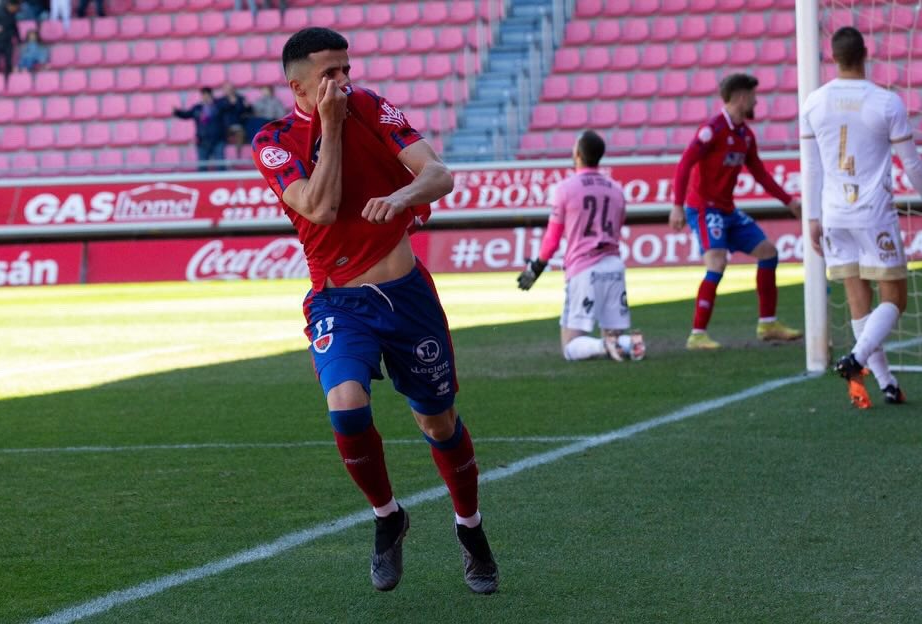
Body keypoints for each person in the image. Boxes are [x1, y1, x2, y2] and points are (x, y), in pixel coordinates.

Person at [251, 27, 498, 594]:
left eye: (346, 69)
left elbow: (439, 174)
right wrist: (330, 128)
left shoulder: (371, 106)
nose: (343, 82)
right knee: (346, 407)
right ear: (299, 87)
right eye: (329, 75)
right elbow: (320, 204)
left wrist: (404, 195)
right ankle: (388, 516)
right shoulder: (275, 141)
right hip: (339, 300)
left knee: (437, 420)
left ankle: (471, 529)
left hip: (407, 295)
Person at [800, 27, 922, 408]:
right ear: (866, 53)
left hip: (833, 215)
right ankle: (857, 359)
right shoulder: (885, 102)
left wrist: (812, 217)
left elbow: (811, 167)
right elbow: (911, 163)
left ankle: (886, 383)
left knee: (857, 302)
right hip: (874, 214)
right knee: (895, 299)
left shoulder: (813, 102)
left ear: (833, 57)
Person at [669, 73, 804, 350]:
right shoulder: (712, 130)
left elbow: (760, 174)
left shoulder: (745, 136)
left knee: (769, 252)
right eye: (753, 96)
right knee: (717, 263)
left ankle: (768, 324)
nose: (756, 101)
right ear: (742, 97)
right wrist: (677, 205)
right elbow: (685, 164)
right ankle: (697, 334)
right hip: (705, 209)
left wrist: (788, 201)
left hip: (727, 210)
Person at [516, 130, 646, 362]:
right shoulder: (616, 189)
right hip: (614, 266)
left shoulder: (565, 188)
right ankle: (628, 343)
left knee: (570, 346)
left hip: (584, 269)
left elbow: (552, 238)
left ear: (577, 153)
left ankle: (606, 346)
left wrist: (536, 268)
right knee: (615, 339)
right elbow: (618, 226)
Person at [172, 87, 227, 172]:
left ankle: (224, 184)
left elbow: (228, 107)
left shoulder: (218, 106)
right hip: (203, 141)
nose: (205, 97)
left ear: (211, 95)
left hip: (218, 140)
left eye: (207, 94)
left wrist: (213, 104)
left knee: (221, 166)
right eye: (203, 95)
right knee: (202, 167)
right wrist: (177, 112)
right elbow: (187, 114)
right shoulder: (197, 108)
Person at [215, 82, 249, 160]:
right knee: (219, 137)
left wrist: (247, 106)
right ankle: (223, 158)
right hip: (225, 126)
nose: (229, 90)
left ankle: (238, 156)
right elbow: (220, 110)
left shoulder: (240, 99)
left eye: (230, 88)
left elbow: (246, 111)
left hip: (238, 124)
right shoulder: (220, 101)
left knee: (241, 134)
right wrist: (231, 104)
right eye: (227, 89)